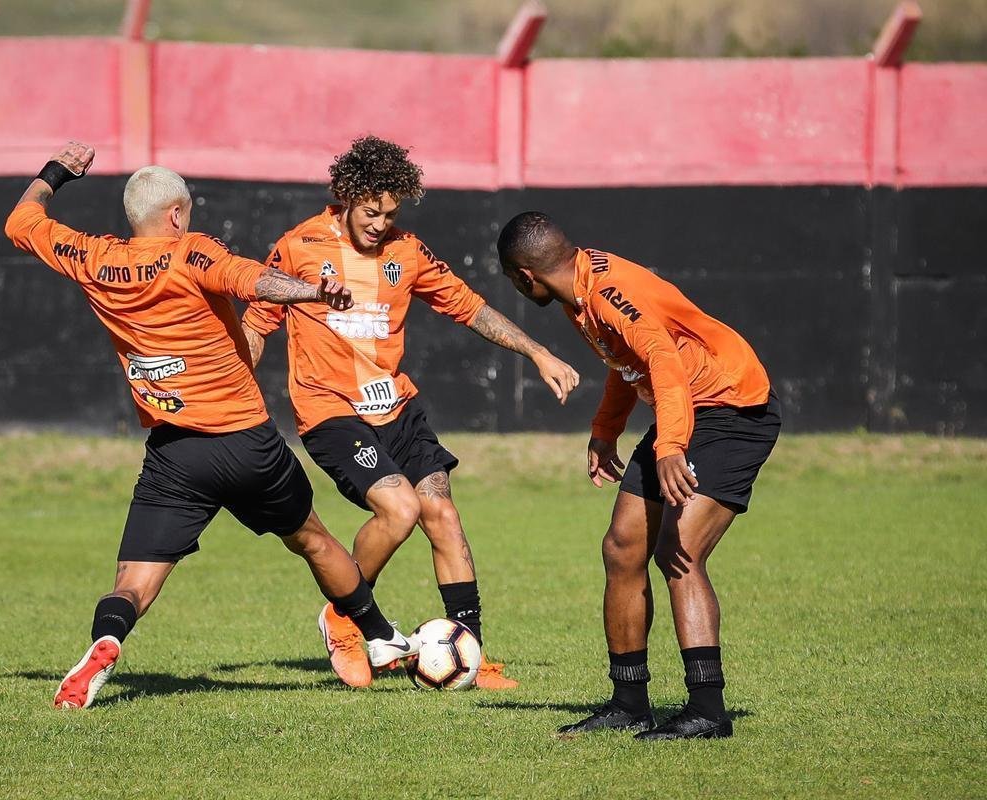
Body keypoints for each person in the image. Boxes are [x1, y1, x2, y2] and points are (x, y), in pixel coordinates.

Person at [5, 141, 419, 709]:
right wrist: (312, 291)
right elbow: (254, 280)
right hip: (247, 443)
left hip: (175, 452)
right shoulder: (191, 251)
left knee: (133, 581)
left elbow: (21, 221)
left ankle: (108, 639)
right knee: (313, 540)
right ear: (176, 215)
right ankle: (379, 634)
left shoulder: (93, 257)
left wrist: (56, 173)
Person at [241, 136, 580, 690]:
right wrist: (233, 398)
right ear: (345, 197)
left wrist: (537, 352)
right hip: (331, 412)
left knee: (441, 513)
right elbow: (256, 323)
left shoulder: (409, 253)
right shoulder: (298, 246)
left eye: (390, 214)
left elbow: (471, 309)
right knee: (399, 509)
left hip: (398, 408)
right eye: (370, 212)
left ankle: (470, 655)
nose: (380, 224)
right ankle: (343, 619)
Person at [496, 211, 780, 739]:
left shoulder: (607, 295)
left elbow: (662, 360)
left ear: (524, 276)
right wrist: (606, 430)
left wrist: (670, 446)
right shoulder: (579, 294)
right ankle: (629, 703)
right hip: (686, 409)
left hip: (732, 409)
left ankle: (708, 711)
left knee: (679, 550)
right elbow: (627, 364)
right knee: (623, 546)